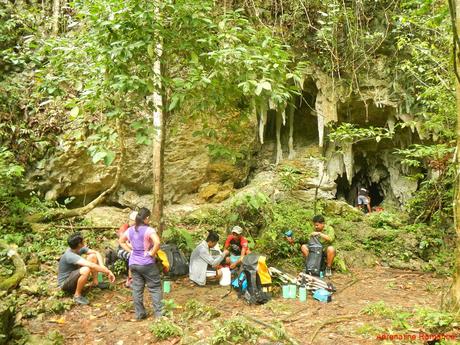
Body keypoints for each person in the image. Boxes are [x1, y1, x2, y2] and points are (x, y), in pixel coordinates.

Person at [119, 207, 163, 320]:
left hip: (133, 263)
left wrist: (131, 251)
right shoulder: (149, 230)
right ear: (147, 218)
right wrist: (151, 253)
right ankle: (159, 315)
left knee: (137, 289)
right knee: (155, 287)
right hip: (147, 263)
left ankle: (140, 314)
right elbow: (157, 242)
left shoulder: (131, 229)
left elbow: (121, 241)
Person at [57, 233, 116, 305]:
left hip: (75, 275)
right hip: (66, 283)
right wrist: (107, 271)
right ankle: (77, 295)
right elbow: (91, 265)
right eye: (82, 240)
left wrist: (102, 265)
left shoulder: (78, 249)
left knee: (92, 256)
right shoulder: (69, 255)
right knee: (86, 269)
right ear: (79, 244)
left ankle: (96, 282)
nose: (84, 241)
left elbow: (96, 252)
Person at [116, 210, 137, 288]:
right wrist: (133, 250)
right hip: (122, 250)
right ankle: (130, 280)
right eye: (134, 221)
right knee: (133, 256)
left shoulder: (136, 228)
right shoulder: (124, 228)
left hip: (132, 249)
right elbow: (125, 243)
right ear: (131, 220)